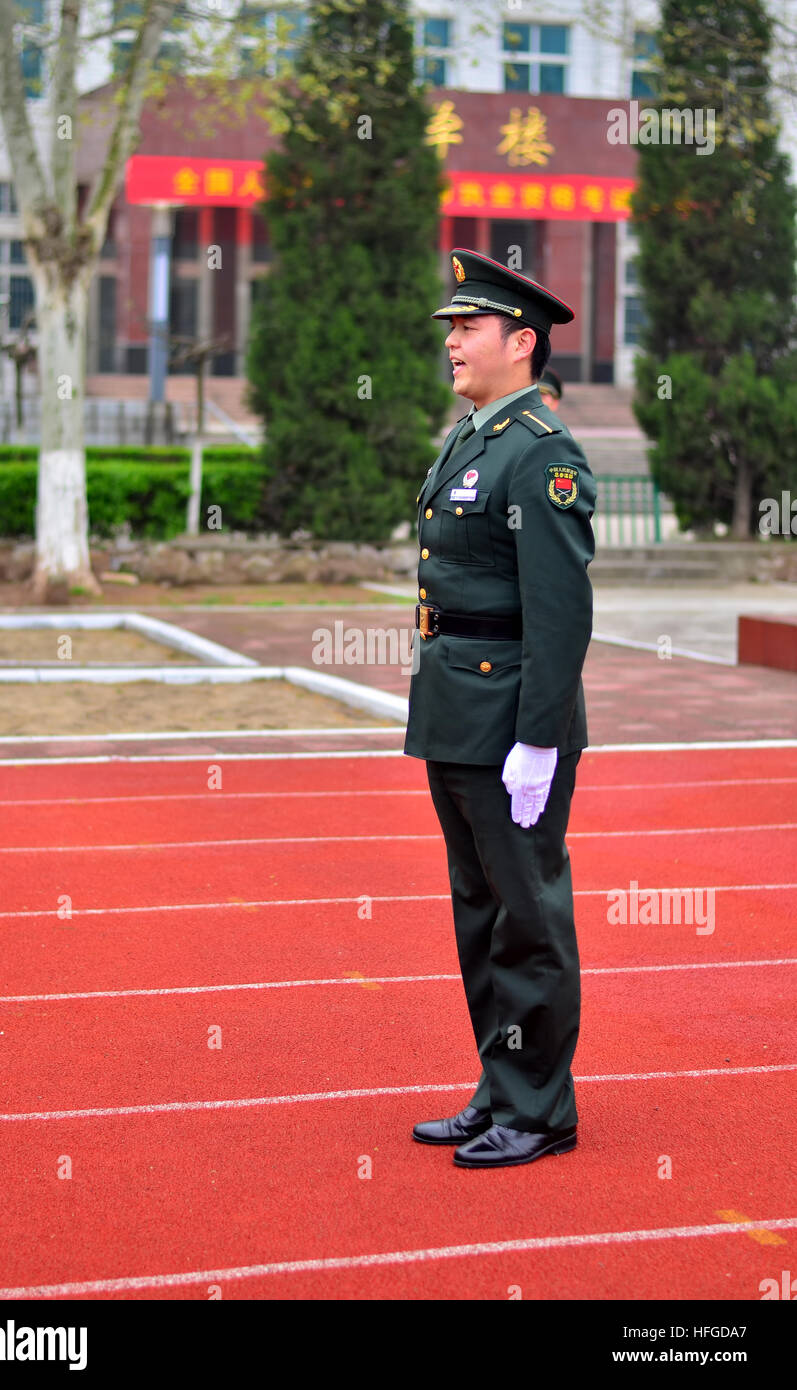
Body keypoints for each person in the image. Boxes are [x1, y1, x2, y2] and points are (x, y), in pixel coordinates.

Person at [405, 248, 596, 1169]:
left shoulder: (541, 453)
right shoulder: (470, 434)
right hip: (455, 705)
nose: (452, 342)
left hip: (511, 718)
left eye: (467, 327)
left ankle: (539, 1109)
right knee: (478, 912)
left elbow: (559, 613)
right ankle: (499, 1088)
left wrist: (539, 741)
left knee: (526, 916)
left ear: (521, 342)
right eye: (450, 327)